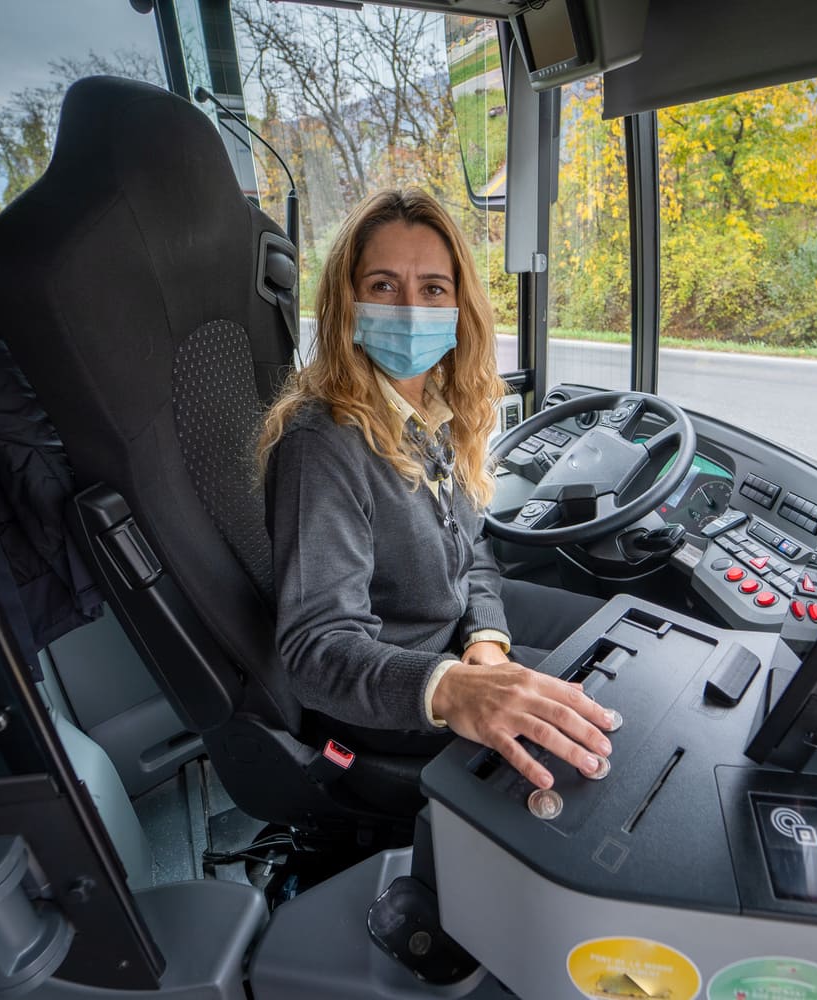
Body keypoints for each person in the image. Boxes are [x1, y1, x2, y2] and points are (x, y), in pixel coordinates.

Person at [259, 189, 613, 791]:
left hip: (459, 639)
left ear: (458, 306)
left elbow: (472, 551)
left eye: (432, 289)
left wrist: (488, 641)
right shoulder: (322, 446)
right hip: (394, 693)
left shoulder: (433, 413)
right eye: (383, 286)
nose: (409, 309)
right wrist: (451, 686)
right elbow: (319, 649)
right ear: (349, 303)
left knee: (617, 649)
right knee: (587, 749)